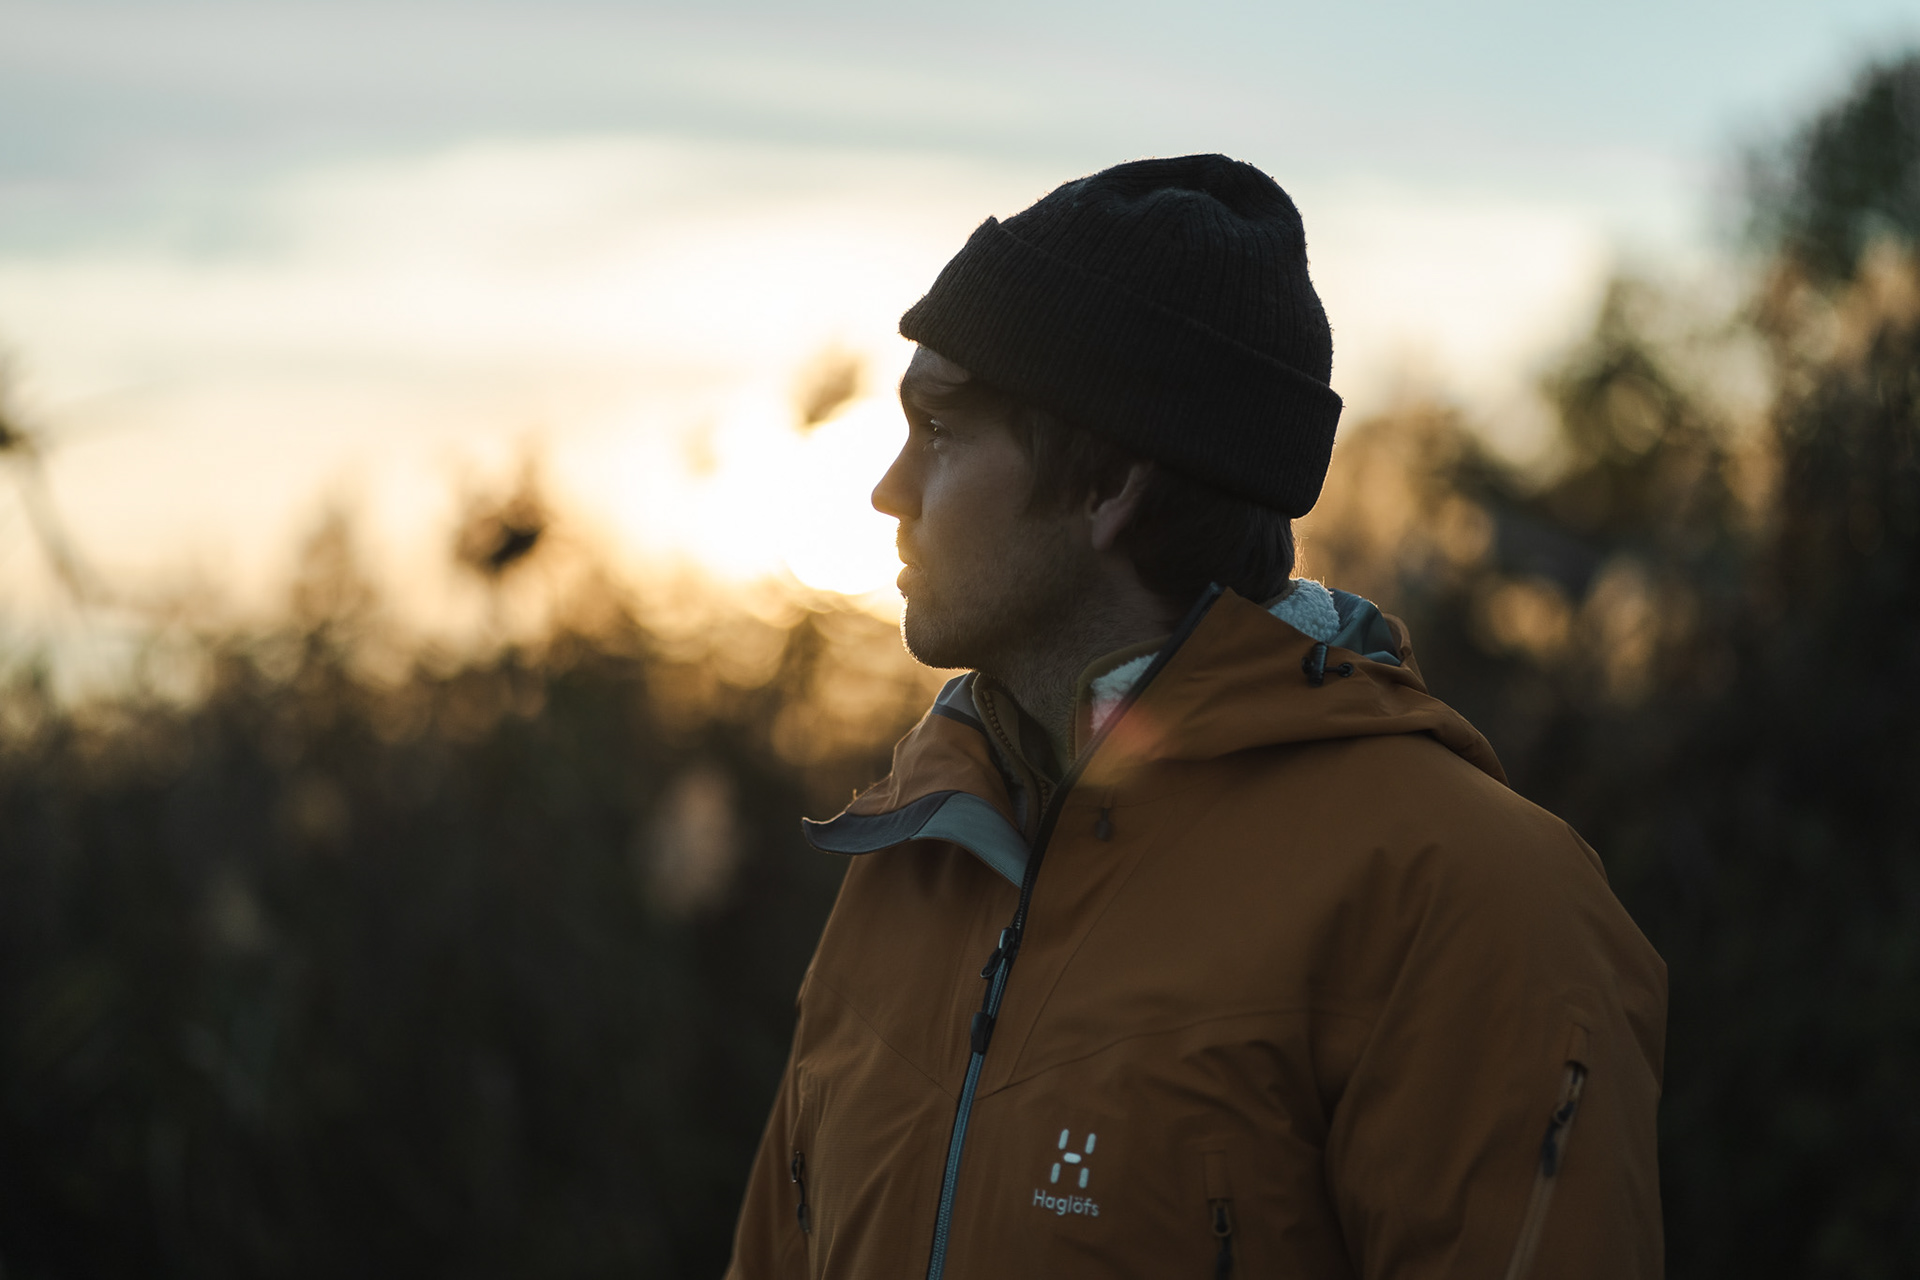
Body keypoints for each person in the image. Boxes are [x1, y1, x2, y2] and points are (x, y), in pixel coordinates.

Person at [725, 154, 1666, 1279]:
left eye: (938, 426)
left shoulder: (1468, 901)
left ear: (1109, 482)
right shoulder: (913, 856)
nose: (888, 487)